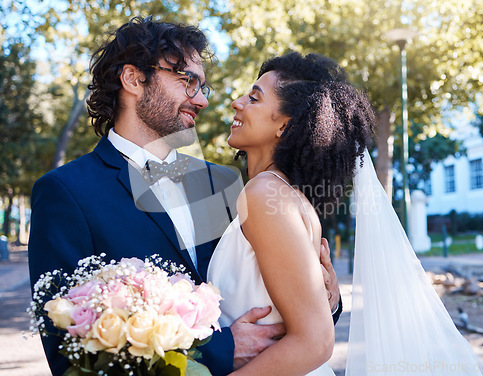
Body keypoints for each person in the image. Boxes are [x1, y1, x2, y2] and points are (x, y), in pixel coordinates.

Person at [28, 17, 341, 376]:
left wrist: (328, 299)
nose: (201, 100)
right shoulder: (65, 193)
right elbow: (67, 354)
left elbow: (278, 298)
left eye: (202, 86)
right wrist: (222, 350)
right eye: (187, 81)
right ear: (132, 79)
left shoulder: (228, 183)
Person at [208, 52, 373, 375]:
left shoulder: (264, 195)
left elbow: (315, 342)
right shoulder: (285, 196)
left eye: (253, 98)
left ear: (284, 125)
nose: (237, 103)